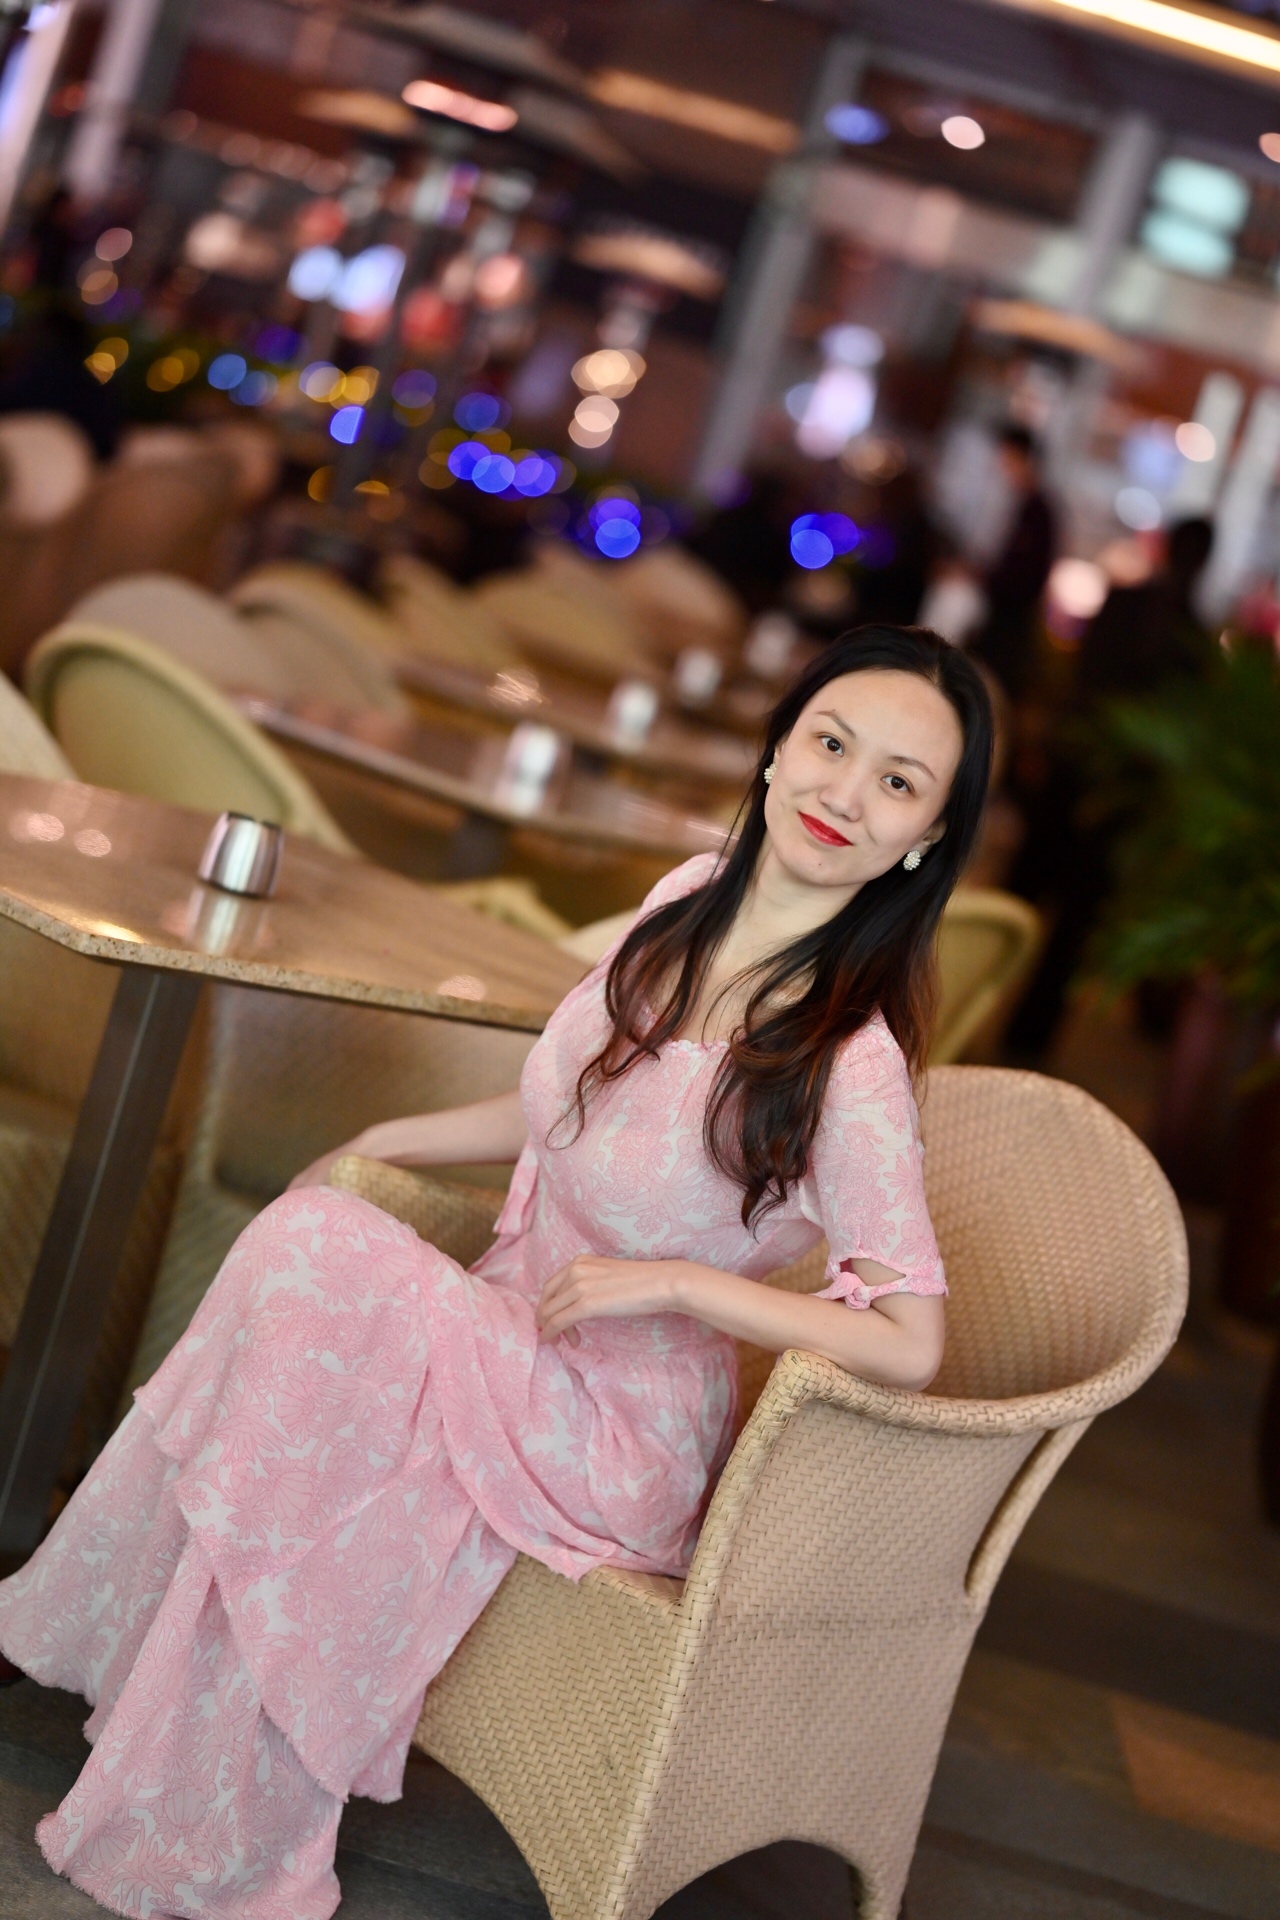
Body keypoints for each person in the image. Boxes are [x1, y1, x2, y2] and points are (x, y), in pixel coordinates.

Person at [0, 627, 992, 1920]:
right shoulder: (688, 898)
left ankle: (198, 1776)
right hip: (513, 1323)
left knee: (320, 1257)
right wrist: (387, 1137)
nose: (845, 794)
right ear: (776, 749)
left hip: (613, 1424)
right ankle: (177, 1736)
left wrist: (677, 1286)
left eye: (897, 783)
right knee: (316, 1254)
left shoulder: (848, 1064)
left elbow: (910, 1336)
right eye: (831, 743)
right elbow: (564, 1109)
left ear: (925, 837)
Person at [1004, 517, 1215, 1058]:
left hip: (1079, 779)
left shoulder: (1131, 607)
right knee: (1066, 930)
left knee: (1022, 904)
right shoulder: (1195, 643)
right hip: (1115, 801)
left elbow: (1078, 679)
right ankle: (1022, 1043)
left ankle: (965, 1004)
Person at [972, 425, 1057, 700]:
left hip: (1010, 619)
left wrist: (982, 577)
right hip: (1002, 611)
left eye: (1008, 459)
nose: (1004, 467)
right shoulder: (1020, 504)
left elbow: (1027, 574)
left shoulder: (1037, 512)